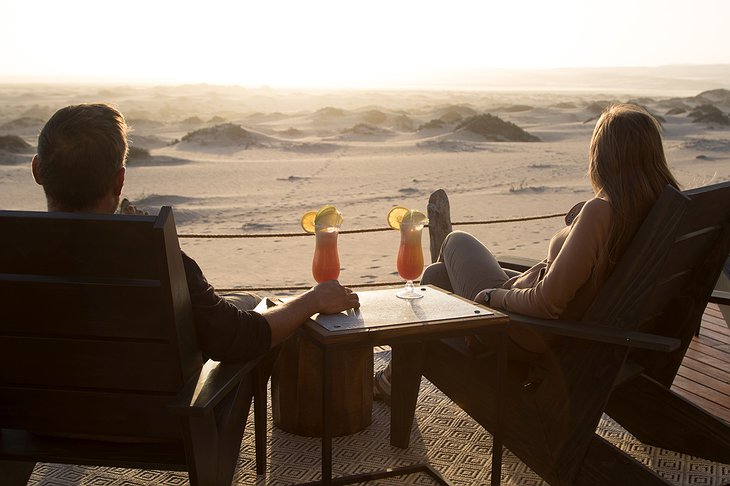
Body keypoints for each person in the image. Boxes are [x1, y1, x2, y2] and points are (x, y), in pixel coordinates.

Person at [374, 103, 680, 403]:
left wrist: (491, 297)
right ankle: (395, 379)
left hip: (531, 332)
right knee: (436, 276)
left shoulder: (602, 213)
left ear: (602, 157)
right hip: (580, 331)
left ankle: (406, 379)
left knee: (455, 242)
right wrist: (579, 224)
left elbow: (547, 305)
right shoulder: (657, 210)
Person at [32, 103, 360, 363]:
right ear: (120, 181)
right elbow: (238, 339)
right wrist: (313, 299)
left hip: (33, 432)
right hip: (155, 438)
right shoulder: (156, 256)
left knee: (243, 303)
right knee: (250, 317)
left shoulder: (13, 252)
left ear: (37, 170)